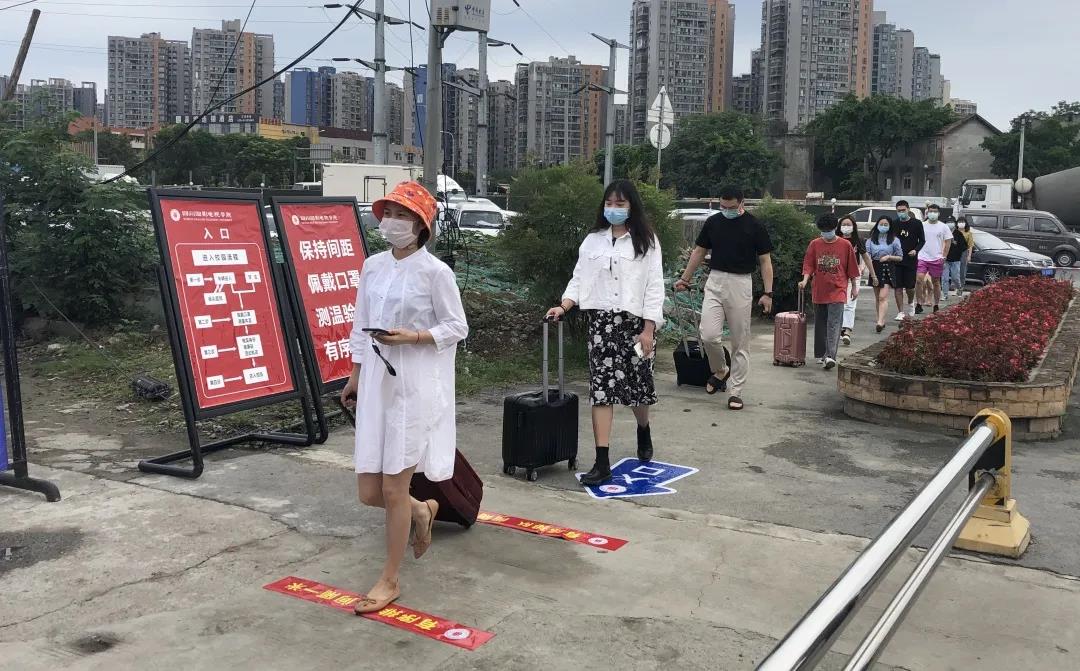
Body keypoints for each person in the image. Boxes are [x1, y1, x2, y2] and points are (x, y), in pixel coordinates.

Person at [341, 181, 469, 614]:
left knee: (394, 488)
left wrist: (413, 337)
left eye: (402, 215)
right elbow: (361, 323)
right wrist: (355, 374)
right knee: (369, 492)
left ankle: (389, 578)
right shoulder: (372, 266)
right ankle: (421, 510)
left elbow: (456, 326)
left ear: (421, 226)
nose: (392, 222)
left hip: (415, 386)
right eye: (388, 214)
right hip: (377, 382)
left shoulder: (436, 273)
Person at [547, 180, 664, 487]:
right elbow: (579, 278)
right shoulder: (593, 240)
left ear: (632, 207)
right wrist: (564, 305)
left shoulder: (646, 242)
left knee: (638, 389)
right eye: (609, 203)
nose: (614, 209)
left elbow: (654, 287)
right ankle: (602, 462)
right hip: (601, 323)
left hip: (635, 324)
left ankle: (643, 428)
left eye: (620, 204)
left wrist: (649, 329)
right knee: (601, 390)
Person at [674, 185, 774, 411]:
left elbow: (765, 261)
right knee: (708, 335)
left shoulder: (754, 225)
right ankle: (720, 369)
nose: (727, 210)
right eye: (723, 206)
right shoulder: (713, 222)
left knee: (740, 341)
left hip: (741, 283)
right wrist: (685, 278)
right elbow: (699, 251)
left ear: (742, 203)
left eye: (731, 207)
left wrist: (768, 293)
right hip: (715, 281)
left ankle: (736, 391)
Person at [799, 214, 860, 370]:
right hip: (819, 290)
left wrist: (854, 287)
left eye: (829, 230)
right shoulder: (815, 244)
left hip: (838, 290)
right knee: (821, 324)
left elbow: (852, 268)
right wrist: (805, 280)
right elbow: (809, 264)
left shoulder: (845, 245)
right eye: (823, 230)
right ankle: (822, 354)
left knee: (834, 324)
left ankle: (830, 356)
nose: (826, 233)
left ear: (835, 228)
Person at [836, 215, 877, 346]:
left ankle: (847, 331)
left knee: (850, 304)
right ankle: (839, 328)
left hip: (854, 275)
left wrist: (873, 275)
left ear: (853, 227)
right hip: (837, 275)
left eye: (849, 225)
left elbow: (866, 258)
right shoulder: (835, 240)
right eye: (844, 224)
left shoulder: (858, 241)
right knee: (839, 303)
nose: (846, 227)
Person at [866, 217, 904, 332]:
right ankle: (880, 319)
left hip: (888, 267)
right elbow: (867, 256)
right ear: (877, 225)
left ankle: (880, 322)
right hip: (875, 268)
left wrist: (889, 257)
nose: (883, 226)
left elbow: (900, 257)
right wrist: (864, 267)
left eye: (886, 224)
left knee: (883, 296)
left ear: (890, 226)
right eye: (881, 224)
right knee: (878, 297)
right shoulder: (870, 241)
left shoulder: (895, 240)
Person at [915, 204, 951, 314]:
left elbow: (948, 242)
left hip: (936, 258)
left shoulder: (943, 227)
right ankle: (919, 303)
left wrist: (944, 256)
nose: (932, 213)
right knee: (919, 280)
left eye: (935, 211)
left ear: (939, 213)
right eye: (931, 211)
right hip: (922, 257)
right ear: (927, 212)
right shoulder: (922, 225)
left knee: (935, 282)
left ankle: (936, 304)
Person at [892, 201, 924, 321]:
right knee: (898, 287)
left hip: (910, 259)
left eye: (903, 210)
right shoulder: (894, 223)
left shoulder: (916, 223)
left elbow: (922, 240)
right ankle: (900, 311)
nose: (901, 212)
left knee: (910, 287)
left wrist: (916, 250)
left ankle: (911, 302)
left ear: (908, 209)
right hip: (896, 259)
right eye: (899, 211)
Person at [944, 217, 969, 299]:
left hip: (956, 260)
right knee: (945, 278)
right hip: (945, 259)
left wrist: (956, 246)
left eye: (951, 222)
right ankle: (945, 294)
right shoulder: (943, 232)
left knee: (955, 277)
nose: (950, 223)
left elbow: (964, 247)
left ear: (954, 223)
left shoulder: (958, 234)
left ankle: (959, 288)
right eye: (948, 222)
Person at [955, 217, 975, 297]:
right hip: (954, 253)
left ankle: (961, 288)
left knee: (962, 271)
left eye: (962, 222)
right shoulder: (954, 232)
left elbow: (970, 246)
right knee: (955, 271)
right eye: (959, 222)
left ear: (966, 223)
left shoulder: (968, 233)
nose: (961, 223)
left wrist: (969, 256)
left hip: (964, 253)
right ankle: (956, 287)